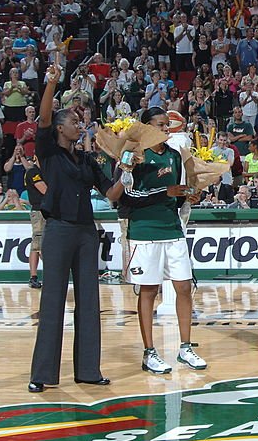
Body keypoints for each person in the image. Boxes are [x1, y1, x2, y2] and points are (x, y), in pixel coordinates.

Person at [28, 65, 118, 393]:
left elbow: (111, 193)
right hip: (58, 230)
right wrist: (52, 82)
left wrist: (129, 167)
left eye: (80, 122)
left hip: (85, 233)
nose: (79, 125)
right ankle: (42, 374)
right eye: (73, 122)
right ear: (60, 128)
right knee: (52, 301)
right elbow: (43, 118)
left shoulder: (87, 160)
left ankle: (88, 370)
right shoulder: (49, 152)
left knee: (89, 301)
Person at [106, 106, 207, 374]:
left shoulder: (174, 155)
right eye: (160, 125)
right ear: (147, 127)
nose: (165, 129)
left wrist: (188, 195)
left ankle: (185, 347)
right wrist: (166, 192)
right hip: (145, 230)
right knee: (149, 290)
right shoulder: (134, 155)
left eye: (167, 125)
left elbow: (175, 193)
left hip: (171, 228)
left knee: (184, 287)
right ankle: (149, 352)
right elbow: (127, 197)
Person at [24, 154, 46, 288]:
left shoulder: (45, 171)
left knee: (37, 244)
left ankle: (34, 276)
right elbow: (44, 189)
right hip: (38, 211)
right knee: (38, 244)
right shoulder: (33, 172)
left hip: (46, 211)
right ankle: (34, 276)